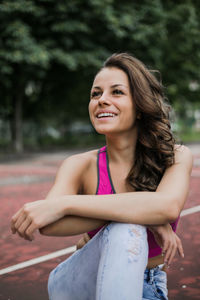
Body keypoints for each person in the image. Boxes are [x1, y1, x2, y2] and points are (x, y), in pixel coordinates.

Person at [11, 53, 193, 300]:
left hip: (148, 284)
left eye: (116, 92)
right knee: (127, 227)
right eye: (96, 94)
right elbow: (51, 223)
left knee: (127, 227)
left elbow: (167, 206)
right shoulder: (79, 165)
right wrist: (147, 216)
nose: (102, 100)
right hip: (77, 284)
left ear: (140, 106)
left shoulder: (175, 156)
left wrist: (65, 203)